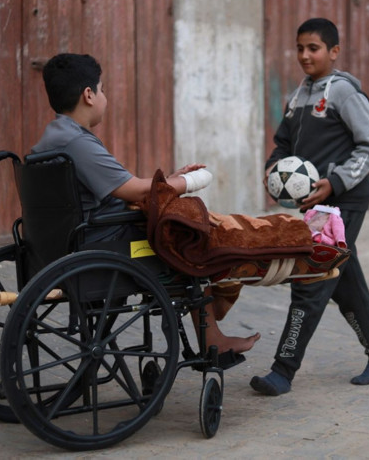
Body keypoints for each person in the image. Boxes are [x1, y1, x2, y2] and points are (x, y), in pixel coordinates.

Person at [34, 53, 260, 353]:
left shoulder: (54, 137)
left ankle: (209, 308)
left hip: (70, 240)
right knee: (188, 240)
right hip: (107, 242)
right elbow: (136, 191)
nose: (104, 97)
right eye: (102, 90)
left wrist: (168, 180)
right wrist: (188, 182)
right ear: (88, 95)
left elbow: (128, 186)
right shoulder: (78, 143)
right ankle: (211, 334)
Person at [250, 18, 369, 396]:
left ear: (333, 52)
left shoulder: (345, 93)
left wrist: (336, 181)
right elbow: (283, 144)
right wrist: (274, 169)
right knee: (343, 278)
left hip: (346, 199)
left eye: (313, 48)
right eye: (299, 48)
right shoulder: (298, 96)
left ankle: (283, 371)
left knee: (312, 278)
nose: (304, 55)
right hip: (318, 202)